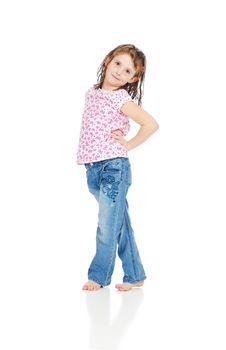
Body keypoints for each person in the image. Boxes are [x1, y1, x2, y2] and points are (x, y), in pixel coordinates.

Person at [77, 44, 159, 291]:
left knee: (106, 225)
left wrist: (128, 144)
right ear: (107, 60)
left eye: (127, 71)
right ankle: (135, 275)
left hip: (114, 168)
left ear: (132, 79)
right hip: (93, 168)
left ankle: (99, 276)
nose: (120, 72)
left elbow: (150, 124)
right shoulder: (92, 92)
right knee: (118, 223)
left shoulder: (121, 98)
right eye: (118, 64)